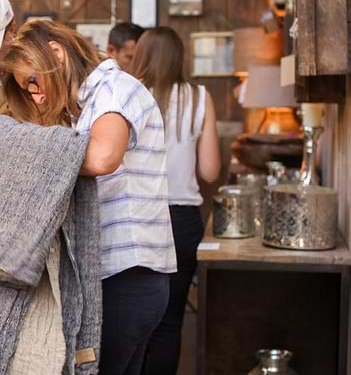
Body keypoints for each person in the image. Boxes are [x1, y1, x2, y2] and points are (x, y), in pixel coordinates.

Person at [1, 19, 177, 375]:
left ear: (56, 52)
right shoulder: (85, 106)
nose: (36, 95)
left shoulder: (114, 88)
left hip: (127, 279)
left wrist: (26, 150)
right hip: (125, 279)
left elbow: (101, 157)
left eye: (33, 80)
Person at [130, 27, 221, 375]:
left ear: (141, 55)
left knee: (133, 320)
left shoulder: (130, 94)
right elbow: (210, 171)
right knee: (170, 325)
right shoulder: (201, 97)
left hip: (137, 219)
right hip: (183, 222)